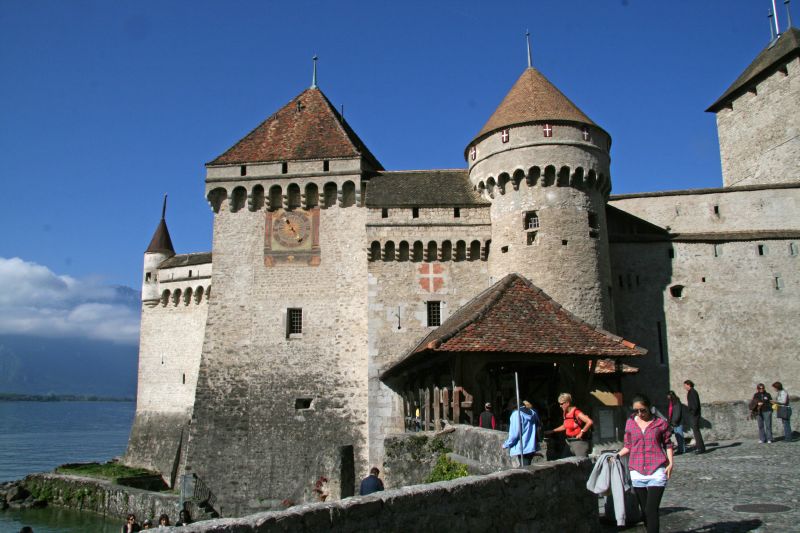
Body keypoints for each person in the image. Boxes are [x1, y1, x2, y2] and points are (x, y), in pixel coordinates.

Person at [618, 394, 674, 533]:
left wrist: (671, 463)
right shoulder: (630, 423)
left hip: (656, 470)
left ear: (649, 407)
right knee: (644, 511)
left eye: (642, 410)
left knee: (651, 509)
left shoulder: (660, 423)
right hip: (636, 471)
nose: (640, 413)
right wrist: (615, 455)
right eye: (636, 410)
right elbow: (628, 445)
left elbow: (668, 444)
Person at [545, 392, 593, 457]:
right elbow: (565, 426)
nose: (560, 406)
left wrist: (581, 432)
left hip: (579, 443)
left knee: (582, 464)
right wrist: (552, 431)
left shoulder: (576, 412)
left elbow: (589, 422)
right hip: (569, 442)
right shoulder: (565, 413)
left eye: (561, 404)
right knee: (564, 461)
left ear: (567, 403)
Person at [502, 400, 541, 465]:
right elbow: (538, 425)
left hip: (522, 447)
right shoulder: (532, 412)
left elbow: (514, 434)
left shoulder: (516, 414)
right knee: (527, 466)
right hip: (532, 446)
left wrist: (506, 444)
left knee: (525, 470)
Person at [683, 380, 705, 454]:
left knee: (696, 432)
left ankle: (700, 448)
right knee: (696, 432)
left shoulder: (693, 392)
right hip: (694, 414)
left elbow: (695, 404)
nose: (684, 387)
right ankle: (700, 447)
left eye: (685, 385)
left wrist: (693, 413)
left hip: (694, 415)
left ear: (689, 385)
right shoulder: (691, 392)